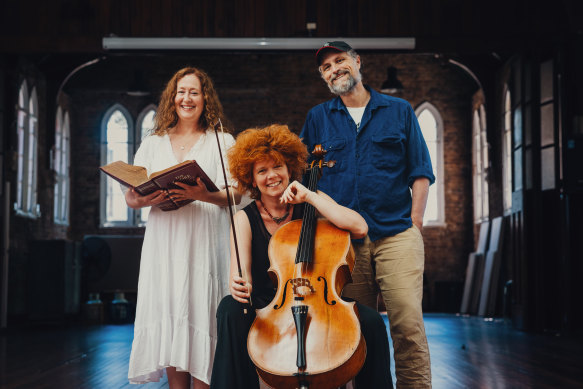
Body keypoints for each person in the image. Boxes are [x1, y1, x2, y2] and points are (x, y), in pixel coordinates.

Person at [209, 124, 393, 389]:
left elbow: (359, 227)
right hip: (269, 302)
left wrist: (311, 196)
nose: (272, 176)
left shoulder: (310, 200)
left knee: (373, 322)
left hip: (320, 297)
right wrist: (240, 283)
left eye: (278, 167)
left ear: (290, 169)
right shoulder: (243, 218)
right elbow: (240, 275)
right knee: (230, 308)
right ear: (251, 178)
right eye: (262, 170)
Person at [300, 41, 435, 388]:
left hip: (397, 236)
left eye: (340, 61)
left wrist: (416, 225)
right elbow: (305, 177)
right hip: (343, 243)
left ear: (357, 62)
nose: (334, 69)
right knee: (351, 332)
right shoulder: (318, 118)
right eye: (326, 67)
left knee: (408, 327)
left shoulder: (399, 110)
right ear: (324, 77)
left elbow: (420, 171)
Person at [125, 67, 241, 389]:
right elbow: (131, 197)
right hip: (165, 243)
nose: (186, 98)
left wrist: (204, 194)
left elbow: (238, 194)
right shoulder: (154, 141)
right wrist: (148, 198)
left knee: (200, 312)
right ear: (171, 98)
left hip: (203, 241)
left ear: (206, 98)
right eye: (181, 92)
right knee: (173, 314)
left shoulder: (222, 140)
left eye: (194, 92)